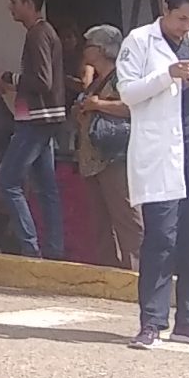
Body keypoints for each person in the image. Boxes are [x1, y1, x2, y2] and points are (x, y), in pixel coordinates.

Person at [119, 0, 189, 349]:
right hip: (161, 151)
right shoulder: (139, 41)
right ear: (166, 9)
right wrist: (170, 73)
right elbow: (128, 92)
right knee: (161, 237)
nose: (186, 26)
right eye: (181, 18)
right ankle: (152, 322)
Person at [0, 0, 69, 261]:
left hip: (36, 120)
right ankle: (54, 249)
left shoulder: (38, 34)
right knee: (46, 187)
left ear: (28, 4)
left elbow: (42, 80)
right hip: (45, 119)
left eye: (14, 1)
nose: (10, 7)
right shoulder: (46, 32)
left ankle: (30, 246)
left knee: (7, 181)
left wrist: (8, 79)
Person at [74, 25, 141, 270]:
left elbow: (131, 106)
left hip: (115, 156)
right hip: (94, 159)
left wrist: (98, 105)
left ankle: (136, 268)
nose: (85, 51)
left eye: (89, 46)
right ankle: (110, 269)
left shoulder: (122, 76)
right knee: (101, 220)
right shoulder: (97, 81)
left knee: (125, 216)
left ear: (101, 49)